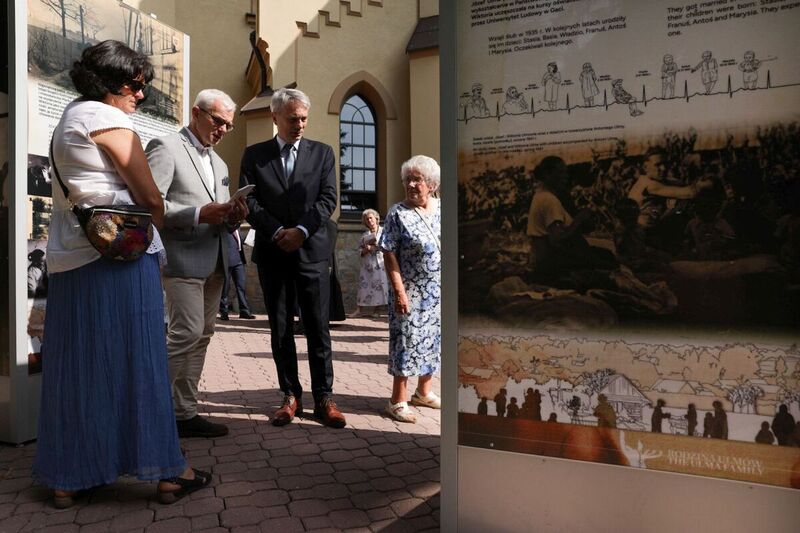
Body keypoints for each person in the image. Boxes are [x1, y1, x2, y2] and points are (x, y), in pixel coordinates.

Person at [32, 40, 209, 509]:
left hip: (72, 257)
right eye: (135, 84)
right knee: (139, 364)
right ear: (110, 83)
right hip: (117, 259)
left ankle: (70, 477)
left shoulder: (69, 118)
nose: (142, 94)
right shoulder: (107, 119)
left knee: (78, 367)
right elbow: (151, 198)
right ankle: (170, 472)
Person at [240, 87, 346, 428]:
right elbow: (250, 203)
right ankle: (290, 396)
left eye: (303, 118)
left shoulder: (322, 153)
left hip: (312, 251)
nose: (299, 124)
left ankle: (324, 397)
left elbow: (328, 199)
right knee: (281, 328)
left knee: (318, 327)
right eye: (292, 119)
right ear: (275, 118)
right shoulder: (255, 155)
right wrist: (275, 232)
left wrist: (301, 230)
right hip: (273, 253)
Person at [146, 88, 247, 439]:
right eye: (218, 121)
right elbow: (151, 206)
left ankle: (184, 413)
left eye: (228, 126)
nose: (222, 130)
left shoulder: (219, 163)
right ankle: (150, 411)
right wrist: (197, 214)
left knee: (203, 335)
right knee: (185, 332)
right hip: (182, 259)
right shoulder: (166, 147)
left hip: (216, 259)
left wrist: (233, 216)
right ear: (196, 112)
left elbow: (217, 214)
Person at [380, 155, 441, 423]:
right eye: (408, 180)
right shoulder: (398, 213)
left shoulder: (441, 209)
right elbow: (389, 254)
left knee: (433, 342)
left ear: (432, 184)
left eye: (418, 179)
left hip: (438, 291)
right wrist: (399, 292)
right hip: (411, 292)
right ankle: (397, 400)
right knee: (406, 343)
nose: (411, 185)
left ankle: (423, 392)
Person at [526, 156, 617, 285]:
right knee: (607, 260)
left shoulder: (542, 195)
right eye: (561, 172)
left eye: (565, 172)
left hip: (551, 256)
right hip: (552, 260)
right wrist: (580, 219)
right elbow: (557, 239)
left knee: (605, 253)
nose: (566, 176)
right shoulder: (548, 200)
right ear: (547, 174)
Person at [355, 208, 388, 317]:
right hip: (368, 264)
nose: (369, 221)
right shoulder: (365, 235)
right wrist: (366, 249)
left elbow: (389, 246)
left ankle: (377, 310)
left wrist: (376, 247)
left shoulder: (384, 232)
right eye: (367, 219)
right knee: (364, 286)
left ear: (376, 219)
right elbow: (359, 251)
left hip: (381, 263)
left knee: (379, 286)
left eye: (371, 218)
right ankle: (359, 309)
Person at [219, 229, 255, 320]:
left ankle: (244, 311)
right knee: (225, 288)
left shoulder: (237, 229)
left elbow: (239, 241)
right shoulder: (225, 229)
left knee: (241, 287)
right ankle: (224, 312)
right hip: (227, 262)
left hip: (239, 261)